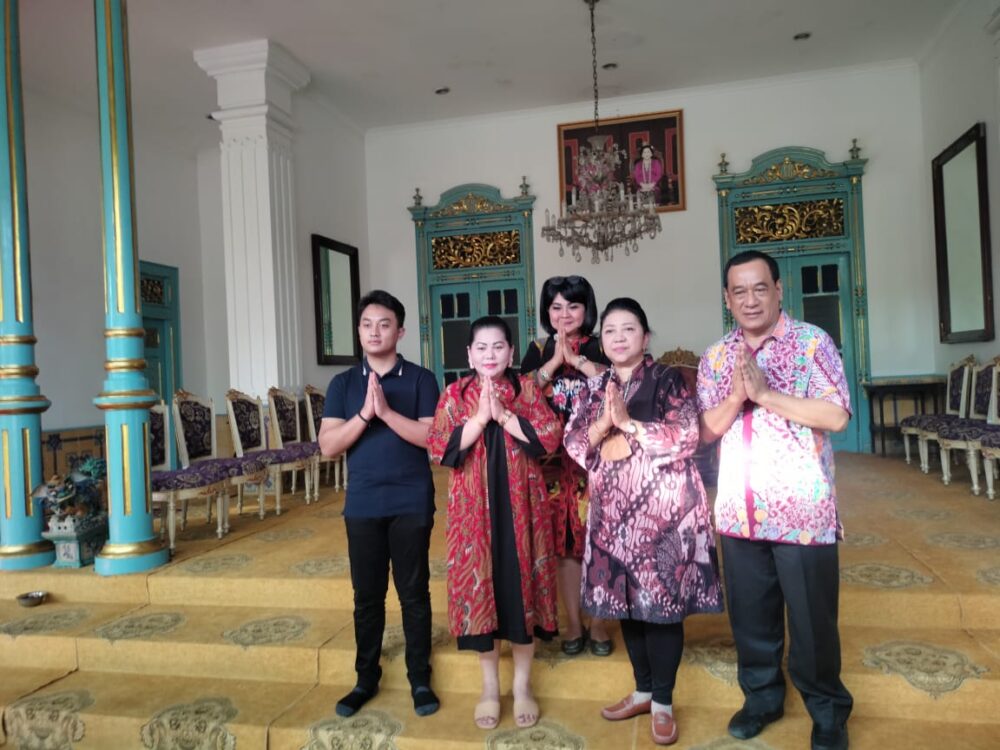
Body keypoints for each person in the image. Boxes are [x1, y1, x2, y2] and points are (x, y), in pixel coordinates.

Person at [697, 250, 853, 750]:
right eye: (739, 291)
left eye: (759, 288)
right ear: (727, 298)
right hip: (738, 511)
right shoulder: (716, 356)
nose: (750, 300)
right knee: (751, 620)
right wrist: (736, 397)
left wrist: (765, 395)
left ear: (778, 290)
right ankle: (762, 699)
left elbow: (836, 416)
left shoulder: (812, 343)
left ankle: (827, 711)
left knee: (812, 623)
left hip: (801, 510)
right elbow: (704, 432)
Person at [564, 297, 723, 746]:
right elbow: (574, 443)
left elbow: (687, 435)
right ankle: (643, 690)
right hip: (612, 514)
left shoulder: (668, 379)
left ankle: (663, 703)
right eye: (610, 331)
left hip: (663, 514)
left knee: (662, 608)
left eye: (628, 329)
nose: (619, 338)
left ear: (646, 336)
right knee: (626, 603)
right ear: (601, 341)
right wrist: (603, 425)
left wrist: (630, 425)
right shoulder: (593, 387)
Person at [428, 316, 561, 731]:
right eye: (481, 348)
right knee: (482, 591)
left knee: (522, 593)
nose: (490, 355)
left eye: (498, 346)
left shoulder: (526, 390)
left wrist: (503, 416)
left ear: (510, 351)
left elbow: (549, 437)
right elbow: (438, 446)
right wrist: (479, 419)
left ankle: (522, 686)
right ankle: (489, 688)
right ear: (469, 354)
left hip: (524, 508)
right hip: (474, 514)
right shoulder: (454, 394)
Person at [318, 290, 441, 718]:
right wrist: (364, 415)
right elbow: (328, 446)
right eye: (367, 324)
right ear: (358, 331)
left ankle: (419, 677)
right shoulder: (343, 384)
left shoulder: (421, 379)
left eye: (384, 324)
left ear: (400, 331)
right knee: (367, 596)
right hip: (363, 503)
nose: (375, 332)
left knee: (413, 593)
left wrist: (386, 413)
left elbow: (432, 439)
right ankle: (365, 678)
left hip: (411, 499)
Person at [519, 275, 614, 657]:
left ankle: (600, 623)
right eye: (556, 307)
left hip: (598, 460)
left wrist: (577, 362)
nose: (564, 314)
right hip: (553, 465)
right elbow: (520, 394)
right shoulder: (537, 349)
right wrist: (554, 363)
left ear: (586, 309)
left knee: (602, 541)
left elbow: (622, 383)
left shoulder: (602, 343)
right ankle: (574, 622)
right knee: (566, 546)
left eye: (573, 306)